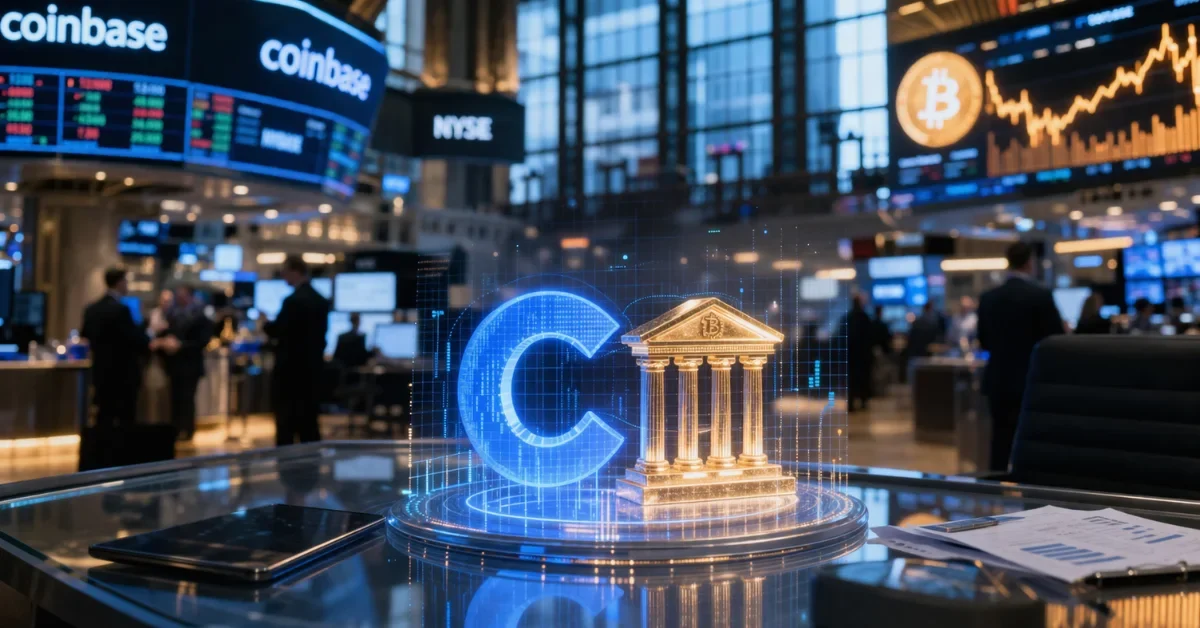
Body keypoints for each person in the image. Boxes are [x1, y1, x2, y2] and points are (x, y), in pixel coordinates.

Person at [977, 242, 1064, 472]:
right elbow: (1054, 341)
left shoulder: (988, 298)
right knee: (1031, 443)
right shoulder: (1040, 296)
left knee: (999, 440)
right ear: (1029, 262)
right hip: (1030, 381)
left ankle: (995, 494)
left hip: (998, 380)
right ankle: (1028, 497)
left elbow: (983, 340)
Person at [265, 256, 330, 446]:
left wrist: (265, 325)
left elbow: (280, 332)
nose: (283, 277)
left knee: (286, 425)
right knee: (309, 425)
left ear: (294, 271)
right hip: (312, 372)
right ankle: (312, 471)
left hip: (289, 374)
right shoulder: (321, 301)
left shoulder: (292, 301)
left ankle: (286, 473)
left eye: (285, 272)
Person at [81, 268, 150, 427]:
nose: (127, 286)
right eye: (126, 282)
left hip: (101, 373)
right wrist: (147, 331)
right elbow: (135, 340)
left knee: (104, 416)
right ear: (119, 283)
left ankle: (100, 450)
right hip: (123, 375)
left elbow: (85, 335)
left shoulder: (92, 309)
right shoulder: (121, 310)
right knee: (125, 419)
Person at [161, 285, 214, 442]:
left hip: (191, 364)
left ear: (190, 296)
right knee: (175, 398)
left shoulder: (200, 316)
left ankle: (187, 429)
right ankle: (176, 429)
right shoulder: (173, 314)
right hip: (175, 364)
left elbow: (202, 342)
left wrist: (182, 345)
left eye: (183, 295)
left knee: (187, 398)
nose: (179, 298)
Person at [840, 293, 874, 412]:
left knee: (851, 380)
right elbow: (870, 336)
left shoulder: (847, 317)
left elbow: (841, 336)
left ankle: (851, 404)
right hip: (863, 355)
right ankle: (863, 402)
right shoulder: (865, 317)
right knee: (863, 379)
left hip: (850, 355)